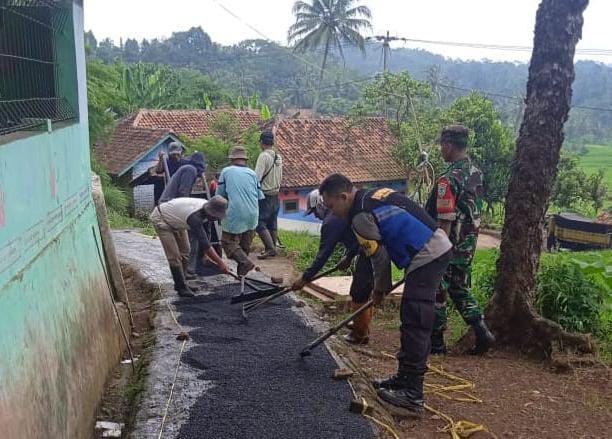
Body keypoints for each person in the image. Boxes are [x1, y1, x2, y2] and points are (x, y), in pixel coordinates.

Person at [319, 174, 452, 414]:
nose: (333, 213)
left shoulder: (359, 216)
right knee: (410, 317)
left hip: (427, 253)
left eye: (331, 206)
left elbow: (379, 258)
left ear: (343, 197)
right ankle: (403, 379)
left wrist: (379, 290)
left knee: (415, 319)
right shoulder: (370, 196)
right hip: (434, 245)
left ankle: (412, 393)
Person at [425, 125, 495, 355]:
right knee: (459, 287)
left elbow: (445, 220)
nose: (440, 150)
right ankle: (482, 332)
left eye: (441, 145)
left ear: (448, 145)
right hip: (468, 245)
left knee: (437, 289)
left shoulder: (447, 180)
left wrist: (437, 250)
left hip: (448, 245)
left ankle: (436, 342)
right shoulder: (476, 173)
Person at [291, 190, 370, 344]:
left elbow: (323, 255)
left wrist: (305, 278)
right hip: (363, 249)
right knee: (363, 290)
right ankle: (361, 323)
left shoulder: (331, 221)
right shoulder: (337, 216)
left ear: (321, 205)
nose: (316, 216)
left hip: (369, 251)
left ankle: (360, 334)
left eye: (315, 212)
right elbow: (354, 239)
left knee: (359, 292)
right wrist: (348, 257)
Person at [149, 195, 230, 297]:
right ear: (209, 211)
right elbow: (204, 242)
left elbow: (206, 236)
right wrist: (220, 263)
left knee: (186, 251)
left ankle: (183, 283)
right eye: (214, 216)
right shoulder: (195, 217)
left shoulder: (207, 211)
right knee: (174, 256)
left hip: (177, 220)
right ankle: (180, 287)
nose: (214, 218)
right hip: (162, 218)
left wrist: (207, 255)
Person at [217, 146, 263, 276]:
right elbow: (260, 196)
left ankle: (245, 263)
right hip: (253, 214)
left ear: (232, 159)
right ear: (245, 160)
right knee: (244, 246)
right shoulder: (252, 173)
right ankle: (241, 277)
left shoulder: (226, 171)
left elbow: (219, 197)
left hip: (235, 212)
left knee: (227, 242)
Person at [254, 130, 283, 259]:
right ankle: (273, 247)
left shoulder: (263, 156)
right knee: (272, 221)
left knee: (259, 222)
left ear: (261, 142)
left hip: (265, 195)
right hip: (276, 194)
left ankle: (270, 248)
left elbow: (257, 178)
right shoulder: (278, 157)